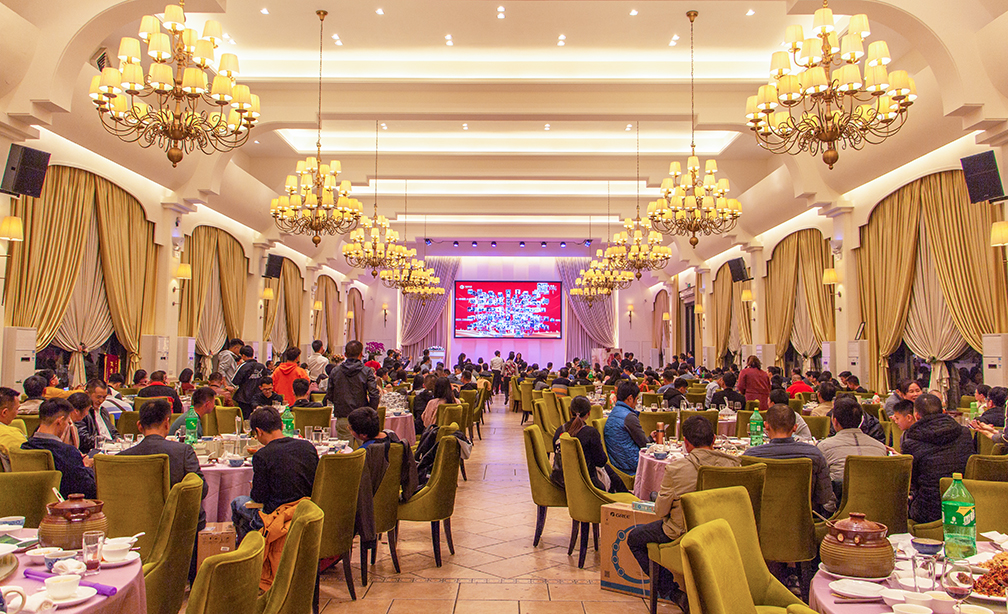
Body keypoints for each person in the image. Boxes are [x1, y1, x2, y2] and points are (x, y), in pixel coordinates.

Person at [626, 416, 738, 609]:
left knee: (635, 538)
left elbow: (660, 511)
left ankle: (674, 593)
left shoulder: (676, 469)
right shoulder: (734, 465)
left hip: (683, 533)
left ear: (686, 443)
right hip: (724, 532)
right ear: (714, 439)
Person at [119, 398, 208, 582]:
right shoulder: (183, 451)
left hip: (133, 526)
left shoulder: (121, 458)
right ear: (167, 423)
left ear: (139, 426)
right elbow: (201, 489)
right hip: (178, 525)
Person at [231, 407, 319, 543]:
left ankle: (251, 548)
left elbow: (259, 497)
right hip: (306, 510)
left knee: (238, 502)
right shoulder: (307, 447)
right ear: (282, 425)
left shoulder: (262, 455)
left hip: (276, 516)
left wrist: (255, 486)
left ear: (259, 431)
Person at [745, 404, 834, 516]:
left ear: (766, 426)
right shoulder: (814, 454)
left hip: (759, 521)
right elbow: (824, 497)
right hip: (802, 521)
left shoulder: (751, 456)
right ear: (795, 427)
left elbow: (746, 498)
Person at [902, 393, 975, 523]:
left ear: (916, 416)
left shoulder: (912, 442)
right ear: (943, 411)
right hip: (963, 505)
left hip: (928, 511)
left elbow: (911, 482)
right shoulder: (964, 433)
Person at [22, 399, 96, 499]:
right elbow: (88, 489)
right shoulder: (67, 452)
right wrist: (86, 466)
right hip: (65, 504)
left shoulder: (24, 448)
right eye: (68, 422)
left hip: (32, 501)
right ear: (60, 421)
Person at [550, 396, 626, 493]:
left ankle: (624, 493)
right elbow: (600, 461)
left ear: (570, 412)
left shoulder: (559, 431)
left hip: (560, 480)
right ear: (589, 413)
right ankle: (624, 495)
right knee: (608, 471)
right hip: (584, 483)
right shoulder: (591, 433)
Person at [817, 396, 888, 498]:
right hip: (876, 503)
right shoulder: (880, 447)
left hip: (841, 505)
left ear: (835, 421)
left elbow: (822, 487)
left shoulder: (824, 447)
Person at [327, 340, 380, 440]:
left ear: (345, 355)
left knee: (345, 448)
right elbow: (374, 394)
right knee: (365, 448)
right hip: (363, 418)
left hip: (343, 416)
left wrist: (340, 404)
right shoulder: (366, 371)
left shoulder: (335, 371)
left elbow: (329, 394)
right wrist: (369, 412)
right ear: (361, 354)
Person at [603, 381, 650, 475]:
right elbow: (644, 444)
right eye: (636, 399)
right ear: (630, 398)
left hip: (616, 462)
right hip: (630, 465)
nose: (636, 403)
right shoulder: (629, 417)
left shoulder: (614, 411)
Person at [78, 379, 120, 454]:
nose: (101, 401)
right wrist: (109, 442)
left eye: (104, 397)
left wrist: (118, 439)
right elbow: (84, 439)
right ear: (87, 394)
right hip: (94, 452)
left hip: (111, 449)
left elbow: (113, 431)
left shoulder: (103, 410)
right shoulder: (81, 412)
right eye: (98, 397)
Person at [232, 345, 267, 420]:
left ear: (243, 356)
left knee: (246, 420)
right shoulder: (261, 366)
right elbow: (265, 380)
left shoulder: (243, 366)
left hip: (244, 398)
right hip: (259, 397)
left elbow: (235, 381)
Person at [0, 387, 26, 465]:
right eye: (17, 409)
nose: (17, 413)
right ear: (4, 412)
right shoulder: (12, 435)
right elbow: (26, 463)